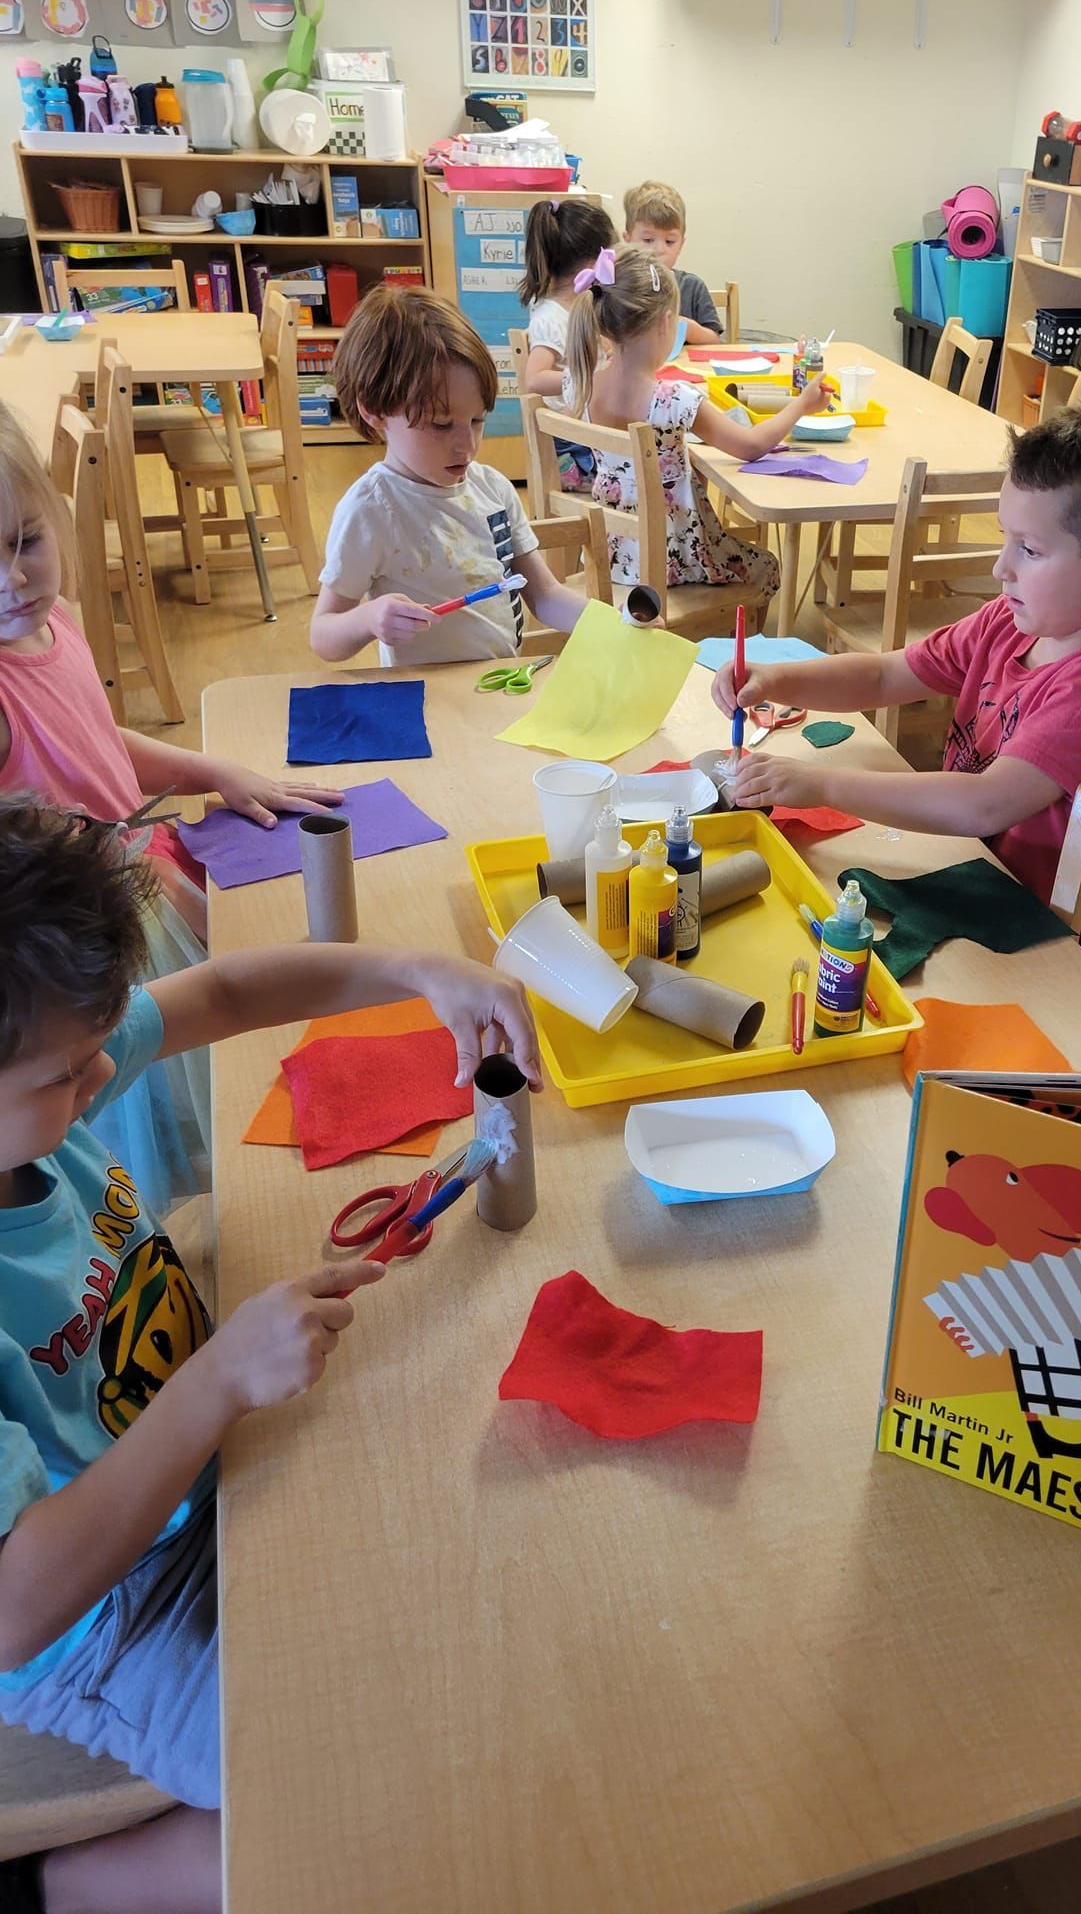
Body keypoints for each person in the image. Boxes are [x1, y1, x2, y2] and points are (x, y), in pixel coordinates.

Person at [0, 799, 543, 1914]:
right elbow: (16, 1608)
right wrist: (215, 1384)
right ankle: (68, 1886)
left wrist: (417, 968)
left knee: (477, 1592)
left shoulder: (50, 1073)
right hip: (105, 1612)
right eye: (62, 1074)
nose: (102, 1075)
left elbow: (231, 990)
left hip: (205, 1458)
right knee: (355, 1821)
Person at [711, 385, 1081, 966]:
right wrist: (778, 680)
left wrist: (819, 783)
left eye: (1030, 550)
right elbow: (885, 677)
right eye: (1005, 539)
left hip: (1062, 939)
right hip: (977, 879)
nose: (1001, 567)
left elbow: (984, 805)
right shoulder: (1013, 621)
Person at [0, 402, 340, 1215]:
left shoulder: (51, 627)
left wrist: (209, 768)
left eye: (27, 544)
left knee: (221, 1070)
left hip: (141, 880)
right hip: (89, 942)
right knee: (140, 1112)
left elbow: (91, 733)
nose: (12, 579)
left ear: (56, 517)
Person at [310, 285, 591, 667]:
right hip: (428, 701)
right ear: (375, 410)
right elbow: (323, 637)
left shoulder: (493, 489)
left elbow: (544, 595)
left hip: (495, 689)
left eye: (477, 420)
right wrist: (368, 619)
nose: (467, 445)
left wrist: (612, 625)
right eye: (441, 426)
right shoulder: (372, 510)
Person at [566, 245, 832, 599]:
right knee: (766, 566)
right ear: (666, 325)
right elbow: (750, 446)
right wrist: (802, 404)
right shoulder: (674, 399)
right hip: (673, 558)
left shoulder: (580, 383)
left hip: (611, 555)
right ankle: (733, 647)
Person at [517, 194, 618, 403]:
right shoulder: (550, 318)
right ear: (593, 265)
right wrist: (590, 379)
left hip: (589, 412)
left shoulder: (581, 303)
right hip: (569, 428)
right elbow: (534, 379)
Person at [623, 179, 723, 345]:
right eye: (648, 239)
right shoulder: (619, 287)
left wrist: (687, 328)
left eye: (670, 241)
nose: (659, 249)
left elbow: (713, 342)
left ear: (681, 244)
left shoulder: (692, 287)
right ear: (628, 240)